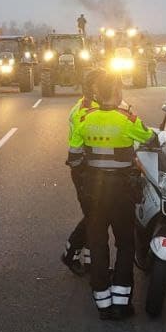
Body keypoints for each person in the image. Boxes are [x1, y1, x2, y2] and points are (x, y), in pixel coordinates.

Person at [67, 72, 157, 320]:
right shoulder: (127, 119)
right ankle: (121, 302)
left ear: (97, 93)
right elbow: (152, 139)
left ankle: (103, 304)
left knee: (97, 244)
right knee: (125, 244)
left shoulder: (84, 119)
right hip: (121, 192)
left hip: (95, 192)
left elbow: (74, 157)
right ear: (117, 93)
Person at [61, 68, 105, 275]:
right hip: (86, 170)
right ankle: (70, 253)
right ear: (93, 88)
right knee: (95, 217)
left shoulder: (92, 105)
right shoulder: (87, 110)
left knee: (96, 216)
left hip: (92, 169)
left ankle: (90, 261)